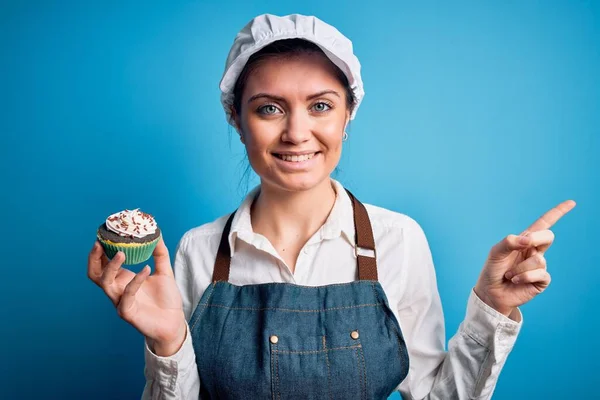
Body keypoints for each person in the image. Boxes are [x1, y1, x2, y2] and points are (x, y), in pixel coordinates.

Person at [87, 14, 575, 399]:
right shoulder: (198, 250)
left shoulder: (398, 240)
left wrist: (493, 309)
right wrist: (168, 343)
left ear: (348, 115)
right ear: (237, 119)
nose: (297, 132)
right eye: (268, 108)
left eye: (320, 105)